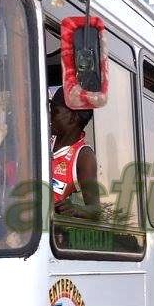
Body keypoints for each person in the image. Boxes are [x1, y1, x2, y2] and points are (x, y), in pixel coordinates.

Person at [49, 86, 100, 220]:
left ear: (72, 118)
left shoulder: (84, 156)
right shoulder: (44, 138)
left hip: (47, 230)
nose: (49, 114)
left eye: (54, 110)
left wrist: (76, 209)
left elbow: (95, 210)